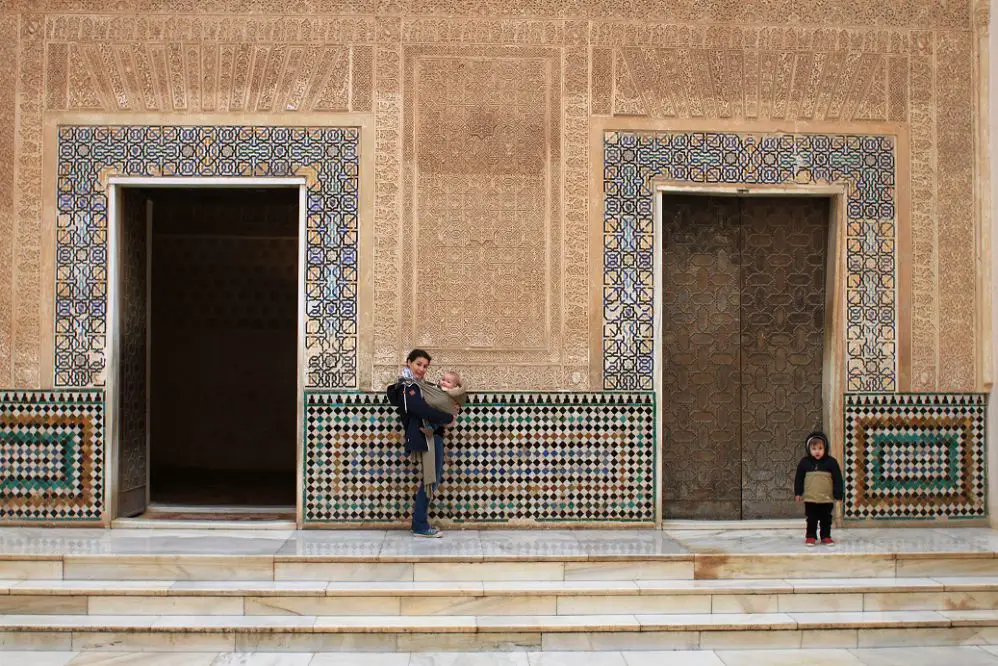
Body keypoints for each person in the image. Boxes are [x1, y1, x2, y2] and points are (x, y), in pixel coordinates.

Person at [392, 349, 454, 538]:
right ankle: (420, 525)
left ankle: (419, 523)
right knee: (430, 480)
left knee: (431, 480)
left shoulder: (420, 386)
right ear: (408, 362)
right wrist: (447, 417)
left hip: (432, 436)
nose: (421, 369)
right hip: (426, 437)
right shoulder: (406, 386)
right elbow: (420, 409)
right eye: (418, 364)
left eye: (425, 366)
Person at [793, 431, 844, 547]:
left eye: (820, 448)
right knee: (811, 518)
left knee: (826, 518)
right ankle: (810, 536)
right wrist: (798, 492)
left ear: (825, 448)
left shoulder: (831, 462)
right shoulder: (804, 463)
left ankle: (826, 536)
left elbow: (837, 479)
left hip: (826, 498)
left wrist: (838, 494)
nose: (817, 451)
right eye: (814, 448)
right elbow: (799, 479)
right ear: (808, 449)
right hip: (811, 498)